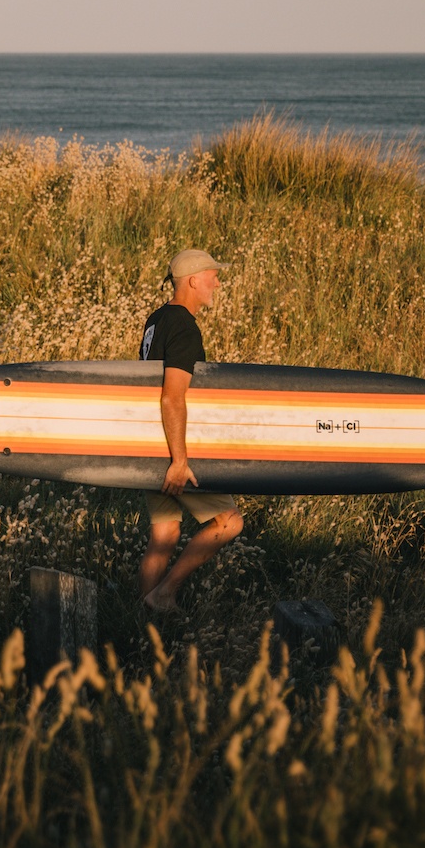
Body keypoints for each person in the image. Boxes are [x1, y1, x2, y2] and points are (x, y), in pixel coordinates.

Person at [138, 248, 243, 612]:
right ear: (193, 280)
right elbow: (172, 397)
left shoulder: (156, 320)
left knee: (164, 535)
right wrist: (180, 461)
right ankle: (165, 594)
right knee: (229, 523)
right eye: (213, 275)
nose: (217, 282)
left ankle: (146, 619)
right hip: (172, 450)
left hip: (149, 443)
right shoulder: (183, 324)